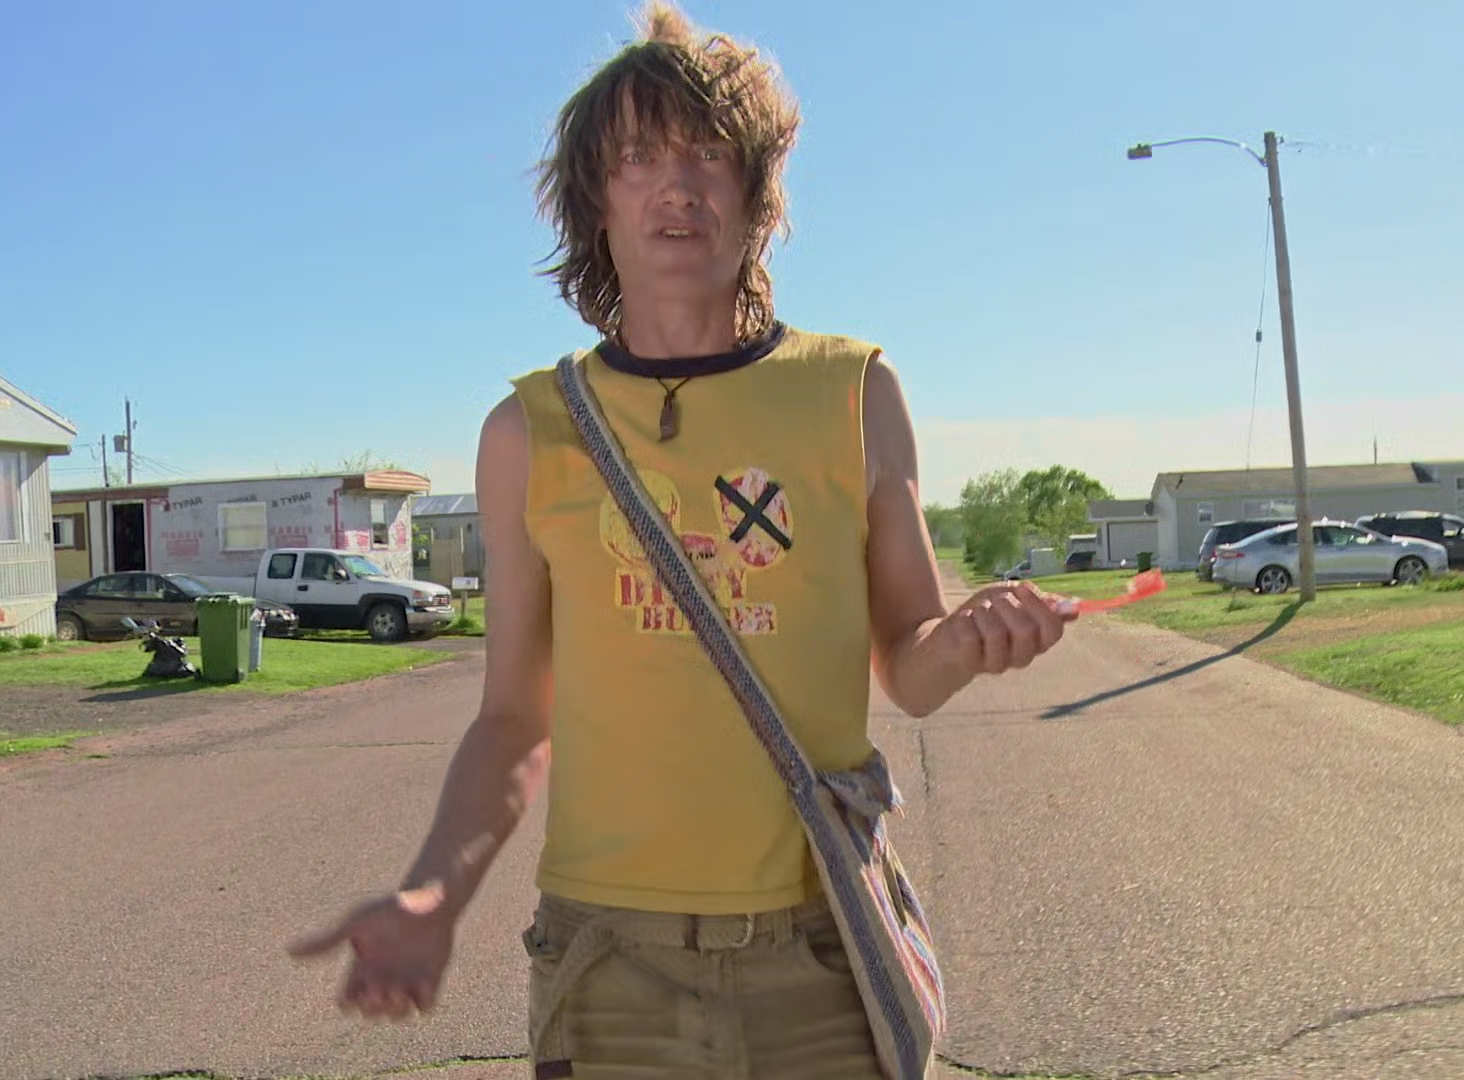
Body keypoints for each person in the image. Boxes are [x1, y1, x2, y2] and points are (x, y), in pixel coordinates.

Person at [289, 4, 1075, 1075]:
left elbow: (913, 663)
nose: (677, 185)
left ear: (757, 196)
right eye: (639, 158)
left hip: (821, 945)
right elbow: (515, 717)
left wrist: (974, 636)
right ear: (596, 203)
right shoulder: (529, 430)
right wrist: (435, 889)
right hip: (610, 959)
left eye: (711, 155)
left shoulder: (854, 390)